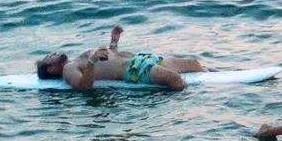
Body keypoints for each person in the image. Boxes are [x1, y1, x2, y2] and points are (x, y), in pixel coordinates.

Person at [36, 24, 206, 91]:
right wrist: (91, 61)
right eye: (49, 57)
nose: (53, 53)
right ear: (51, 68)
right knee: (174, 78)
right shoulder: (69, 68)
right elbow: (83, 87)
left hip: (142, 59)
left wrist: (114, 43)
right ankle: (188, 108)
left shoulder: (77, 60)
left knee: (194, 63)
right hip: (133, 70)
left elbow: (110, 59)